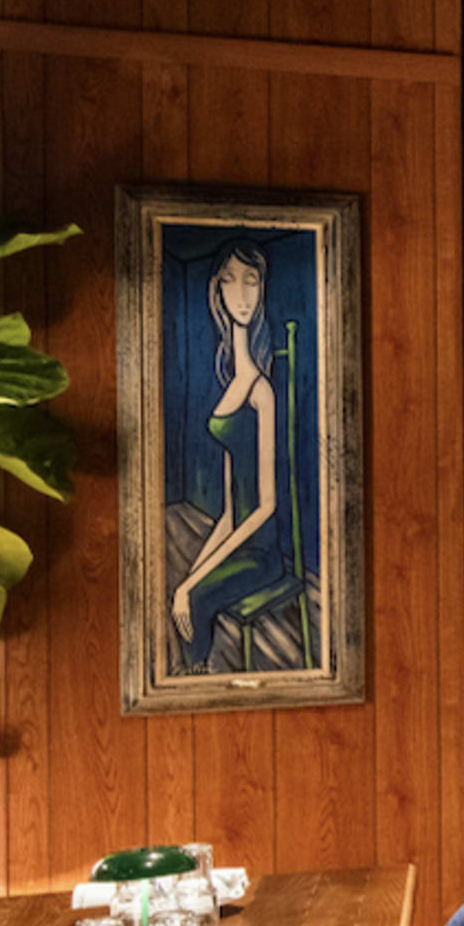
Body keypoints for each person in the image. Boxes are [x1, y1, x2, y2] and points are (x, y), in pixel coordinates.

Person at [167, 244, 309, 669]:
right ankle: (194, 672)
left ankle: (196, 675)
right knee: (186, 591)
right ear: (218, 292)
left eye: (252, 281)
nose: (242, 294)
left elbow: (266, 506)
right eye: (231, 281)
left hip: (262, 555)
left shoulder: (261, 391)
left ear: (262, 288)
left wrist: (193, 583)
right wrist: (196, 567)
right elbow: (232, 506)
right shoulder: (232, 384)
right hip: (238, 539)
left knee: (195, 600)